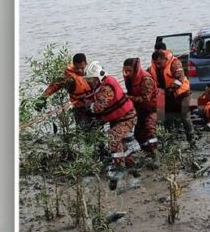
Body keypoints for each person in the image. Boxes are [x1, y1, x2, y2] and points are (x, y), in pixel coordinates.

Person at [84, 61, 138, 190]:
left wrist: (88, 105)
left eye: (91, 79)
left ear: (98, 77)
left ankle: (119, 168)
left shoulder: (106, 88)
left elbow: (98, 107)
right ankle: (131, 167)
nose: (90, 82)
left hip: (127, 118)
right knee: (121, 143)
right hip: (119, 118)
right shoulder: (103, 84)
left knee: (112, 137)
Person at [34, 53, 95, 129]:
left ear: (86, 63)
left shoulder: (93, 71)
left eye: (82, 68)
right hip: (80, 109)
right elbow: (54, 86)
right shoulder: (69, 76)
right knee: (82, 130)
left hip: (95, 106)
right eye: (77, 68)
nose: (81, 71)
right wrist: (43, 98)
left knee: (97, 129)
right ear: (74, 65)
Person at [150, 49, 194, 148]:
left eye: (159, 63)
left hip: (182, 95)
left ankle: (192, 142)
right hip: (167, 96)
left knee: (185, 119)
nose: (158, 66)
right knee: (167, 119)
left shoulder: (175, 64)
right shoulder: (153, 66)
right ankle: (169, 144)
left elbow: (180, 79)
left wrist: (170, 89)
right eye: (155, 63)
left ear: (165, 59)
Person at [123, 58, 158, 153]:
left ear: (135, 69)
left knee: (149, 129)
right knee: (138, 134)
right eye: (125, 71)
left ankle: (156, 154)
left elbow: (145, 99)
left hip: (152, 108)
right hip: (140, 109)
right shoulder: (129, 78)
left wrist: (128, 98)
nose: (127, 73)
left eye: (129, 71)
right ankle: (147, 152)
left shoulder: (145, 79)